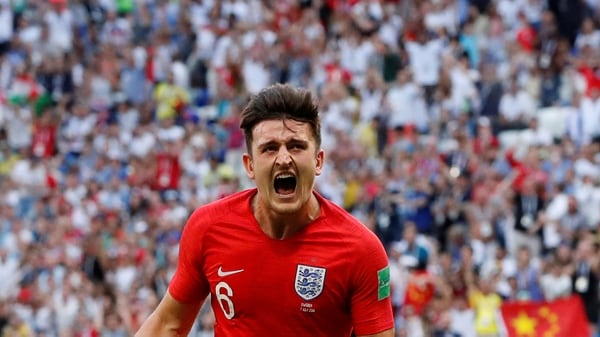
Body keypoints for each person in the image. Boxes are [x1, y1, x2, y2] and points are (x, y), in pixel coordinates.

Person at [134, 83, 395, 337]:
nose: (283, 158)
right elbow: (168, 325)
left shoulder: (361, 250)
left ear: (318, 160)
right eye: (270, 148)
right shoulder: (208, 227)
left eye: (296, 146)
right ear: (249, 166)